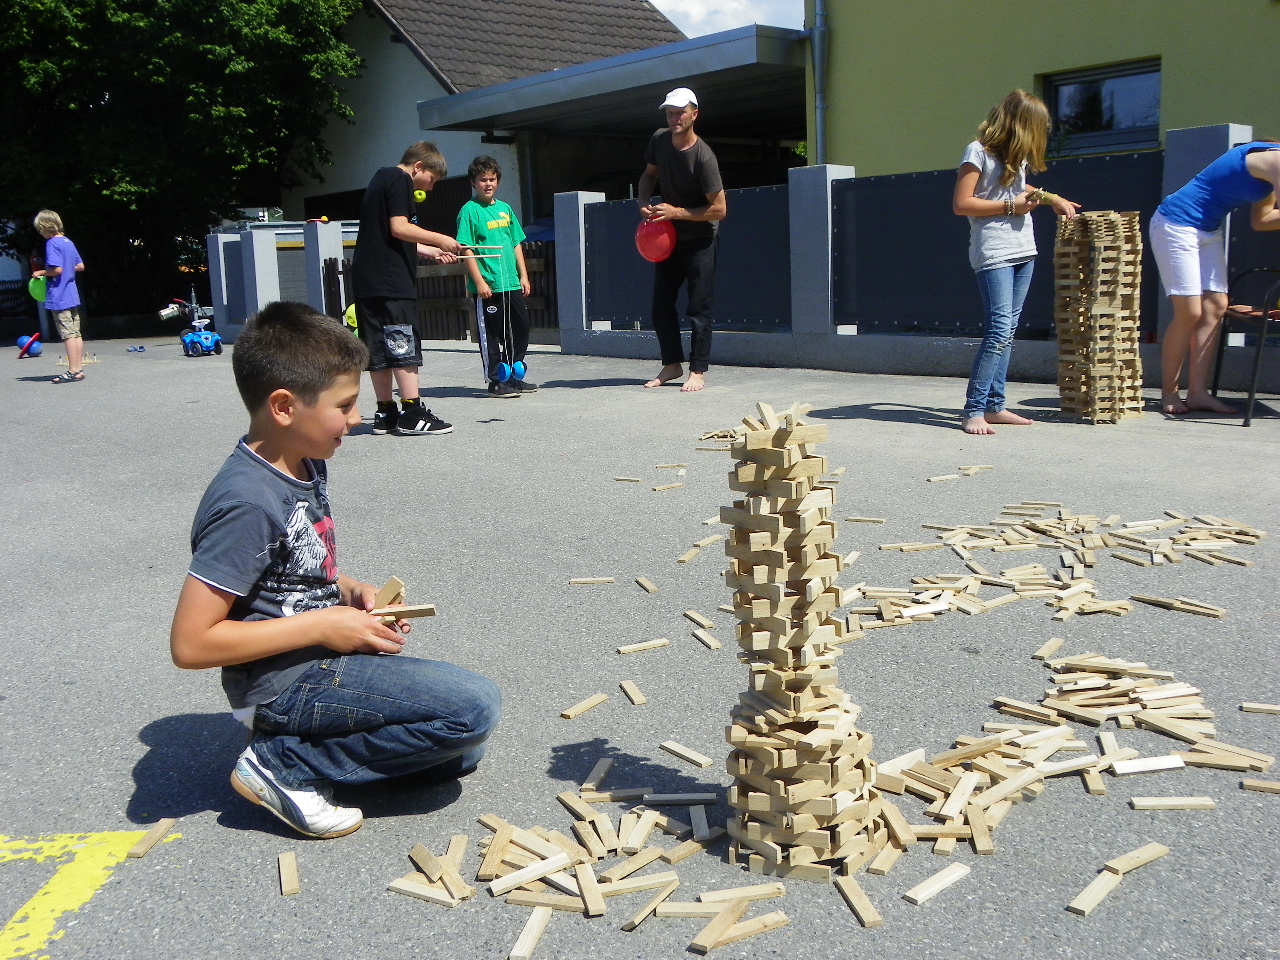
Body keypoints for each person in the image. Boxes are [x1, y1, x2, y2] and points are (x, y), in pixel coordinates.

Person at [169, 302, 501, 839]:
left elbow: (295, 570)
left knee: (461, 752)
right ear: (284, 407)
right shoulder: (247, 503)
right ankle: (282, 764)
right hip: (281, 682)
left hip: (313, 658)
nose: (357, 418)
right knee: (472, 710)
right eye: (344, 405)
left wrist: (349, 593)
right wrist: (325, 626)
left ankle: (297, 747)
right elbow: (191, 644)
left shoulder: (303, 459)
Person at [952, 90, 1080, 435]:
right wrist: (1012, 207)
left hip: (1024, 249)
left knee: (1007, 332)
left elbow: (1017, 188)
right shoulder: (977, 152)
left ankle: (994, 406)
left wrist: (1050, 197)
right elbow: (962, 203)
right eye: (1037, 127)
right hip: (994, 251)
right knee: (998, 331)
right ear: (1021, 124)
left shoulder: (1015, 158)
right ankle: (974, 410)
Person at [1149, 140, 1280, 415]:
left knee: (1216, 306)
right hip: (1175, 223)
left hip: (1208, 230)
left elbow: (1262, 220)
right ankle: (1169, 393)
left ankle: (1197, 394)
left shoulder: (1269, 179)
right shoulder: (1276, 160)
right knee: (1189, 311)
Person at [351, 142, 461, 436]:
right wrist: (440, 239)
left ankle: (385, 413)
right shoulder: (400, 180)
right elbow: (399, 227)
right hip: (392, 281)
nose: (431, 187)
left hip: (368, 279)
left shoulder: (380, 179)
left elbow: (388, 235)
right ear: (418, 167)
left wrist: (429, 251)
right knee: (401, 340)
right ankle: (412, 412)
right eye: (432, 179)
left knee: (376, 345)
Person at [637, 87, 727, 393]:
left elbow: (720, 209)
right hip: (670, 237)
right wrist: (643, 201)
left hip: (701, 237)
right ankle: (672, 365)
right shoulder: (659, 139)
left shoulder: (704, 157)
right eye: (670, 112)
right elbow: (650, 174)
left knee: (699, 308)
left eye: (680, 112)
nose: (674, 118)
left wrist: (677, 212)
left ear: (694, 115)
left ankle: (697, 371)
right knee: (660, 305)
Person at [456, 156, 536, 398]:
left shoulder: (505, 209)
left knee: (520, 328)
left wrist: (523, 276)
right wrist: (479, 281)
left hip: (510, 282)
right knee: (490, 335)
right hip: (489, 286)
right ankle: (495, 381)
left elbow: (516, 243)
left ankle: (512, 375)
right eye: (483, 180)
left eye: (492, 179)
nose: (488, 184)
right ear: (473, 182)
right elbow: (466, 248)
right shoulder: (469, 211)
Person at [32, 210, 86, 384]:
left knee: (67, 334)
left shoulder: (52, 243)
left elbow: (57, 270)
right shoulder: (68, 242)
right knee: (76, 333)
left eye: (40, 230)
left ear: (45, 227)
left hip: (59, 294)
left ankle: (72, 370)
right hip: (72, 294)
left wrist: (40, 272)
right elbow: (80, 266)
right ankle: (78, 369)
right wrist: (68, 267)